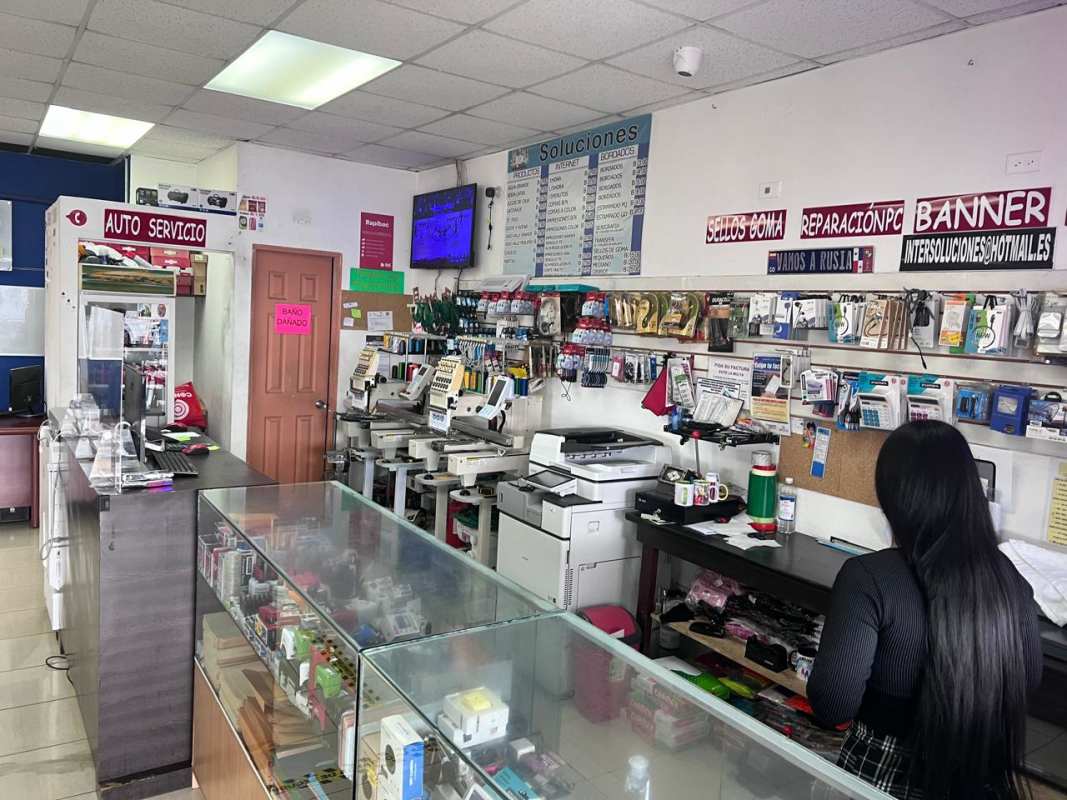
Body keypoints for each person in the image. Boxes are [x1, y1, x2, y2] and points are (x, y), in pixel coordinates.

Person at [807, 420, 1042, 800]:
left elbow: (833, 703)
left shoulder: (869, 578)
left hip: (882, 776)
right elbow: (1027, 678)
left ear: (892, 496)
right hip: (983, 780)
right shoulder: (1008, 580)